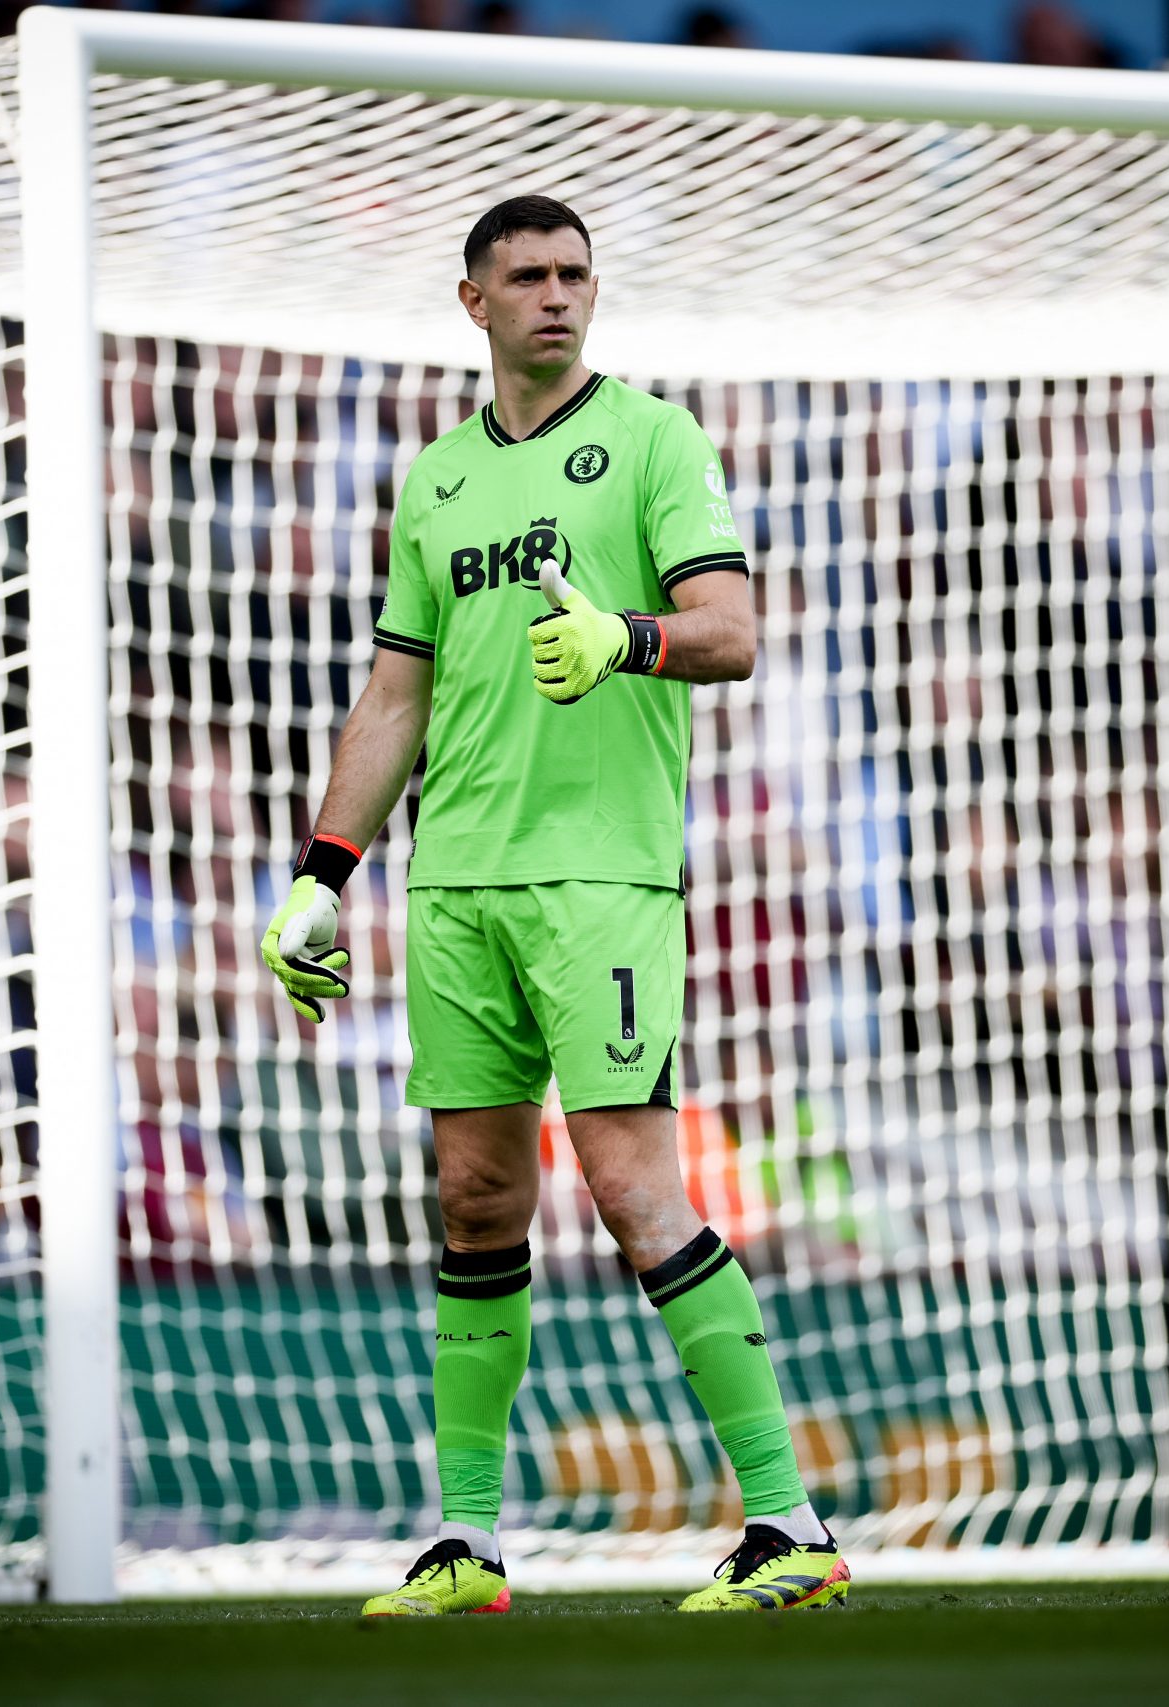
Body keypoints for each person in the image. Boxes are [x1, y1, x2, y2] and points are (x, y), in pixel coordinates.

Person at [259, 195, 844, 1615]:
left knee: (638, 1188)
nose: (556, 296)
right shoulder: (436, 483)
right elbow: (396, 696)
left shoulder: (653, 439)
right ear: (474, 303)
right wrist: (322, 874)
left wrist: (622, 636)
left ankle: (789, 1525)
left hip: (602, 880)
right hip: (454, 884)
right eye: (526, 276)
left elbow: (734, 634)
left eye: (575, 274)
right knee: (475, 1203)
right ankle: (467, 1546)